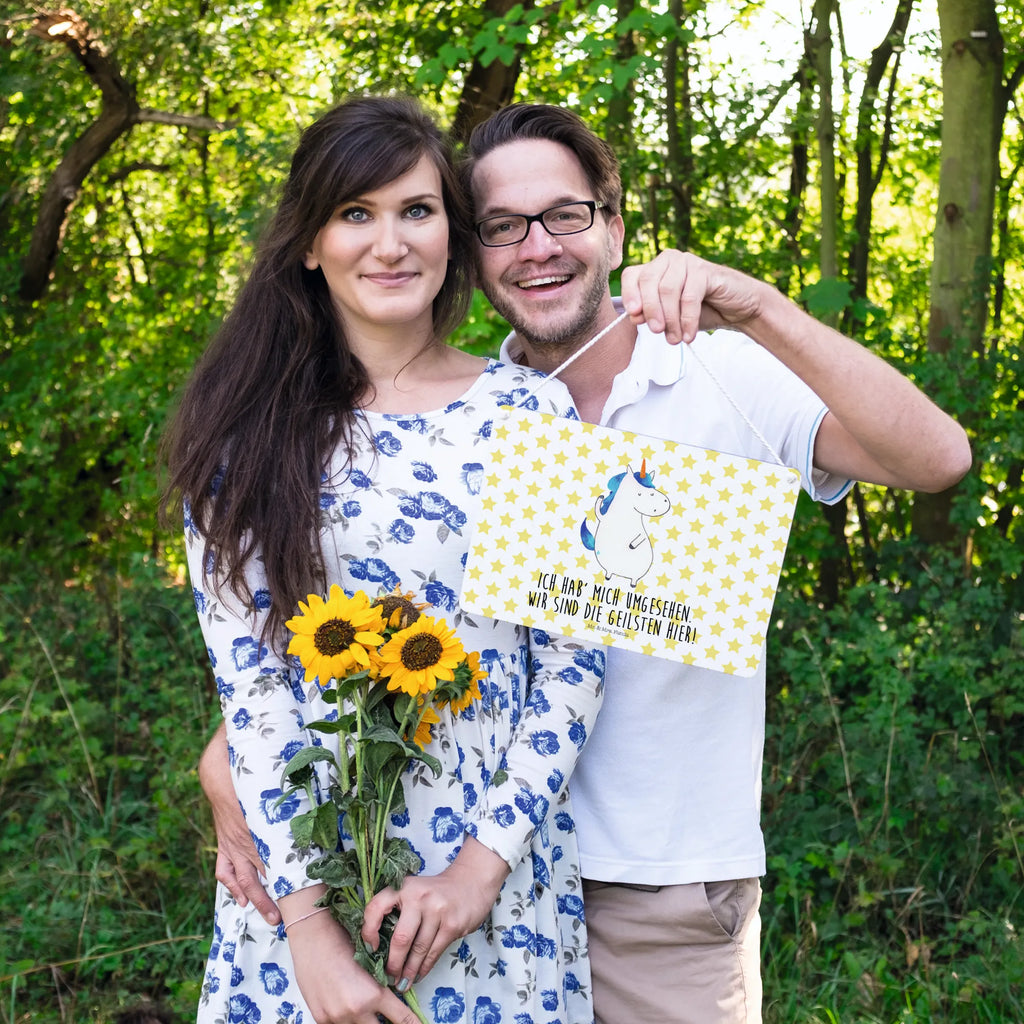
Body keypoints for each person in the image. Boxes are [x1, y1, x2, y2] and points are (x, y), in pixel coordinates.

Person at [201, 102, 972, 1023]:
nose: (537, 247)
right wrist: (232, 768)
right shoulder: (465, 415)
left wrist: (759, 306)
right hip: (427, 876)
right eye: (502, 227)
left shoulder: (712, 372)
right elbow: (343, 631)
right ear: (474, 249)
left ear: (612, 225)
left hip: (653, 888)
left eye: (564, 215)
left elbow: (937, 461)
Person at [163, 95, 609, 1024]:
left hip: (492, 888)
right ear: (309, 244)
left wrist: (478, 873)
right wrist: (311, 936)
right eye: (355, 214)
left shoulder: (531, 415)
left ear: (452, 230)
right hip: (303, 884)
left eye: (416, 210)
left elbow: (572, 665)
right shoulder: (245, 438)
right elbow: (253, 692)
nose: (390, 243)